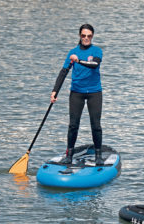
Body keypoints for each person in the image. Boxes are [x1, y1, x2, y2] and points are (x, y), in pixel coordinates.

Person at [51, 24, 104, 165]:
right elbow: (63, 72)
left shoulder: (97, 51)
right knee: (73, 125)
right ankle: (69, 154)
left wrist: (78, 60)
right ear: (79, 36)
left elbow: (94, 65)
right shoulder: (72, 52)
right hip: (76, 92)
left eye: (89, 36)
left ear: (92, 36)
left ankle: (98, 155)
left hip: (94, 92)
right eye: (83, 35)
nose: (86, 38)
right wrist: (55, 91)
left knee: (96, 125)